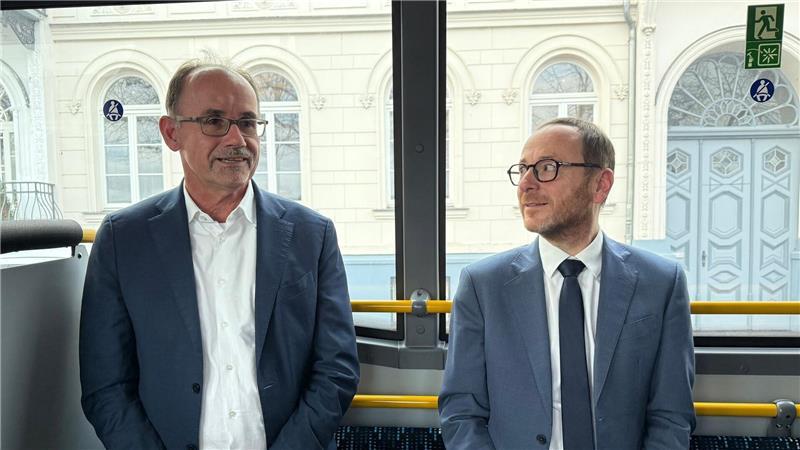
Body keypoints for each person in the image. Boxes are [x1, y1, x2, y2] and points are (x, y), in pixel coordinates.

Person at [80, 59, 360, 450]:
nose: (236, 140)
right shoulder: (122, 240)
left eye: (247, 123)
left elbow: (337, 370)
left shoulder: (312, 235)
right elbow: (106, 386)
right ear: (171, 132)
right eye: (214, 121)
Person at [439, 117, 695, 449]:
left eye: (547, 168)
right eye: (523, 169)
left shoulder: (661, 283)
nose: (526, 185)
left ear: (600, 184)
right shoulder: (482, 286)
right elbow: (461, 413)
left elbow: (671, 416)